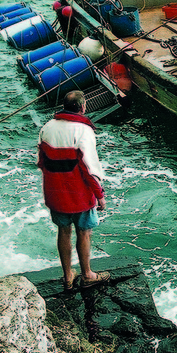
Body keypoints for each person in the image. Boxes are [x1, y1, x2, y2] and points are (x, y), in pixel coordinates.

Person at [38, 90, 109, 291]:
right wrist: (100, 195)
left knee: (63, 231)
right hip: (79, 194)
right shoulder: (83, 131)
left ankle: (68, 275)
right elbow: (89, 168)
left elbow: (41, 162)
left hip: (55, 192)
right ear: (82, 107)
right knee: (84, 232)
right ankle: (87, 274)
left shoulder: (46, 128)